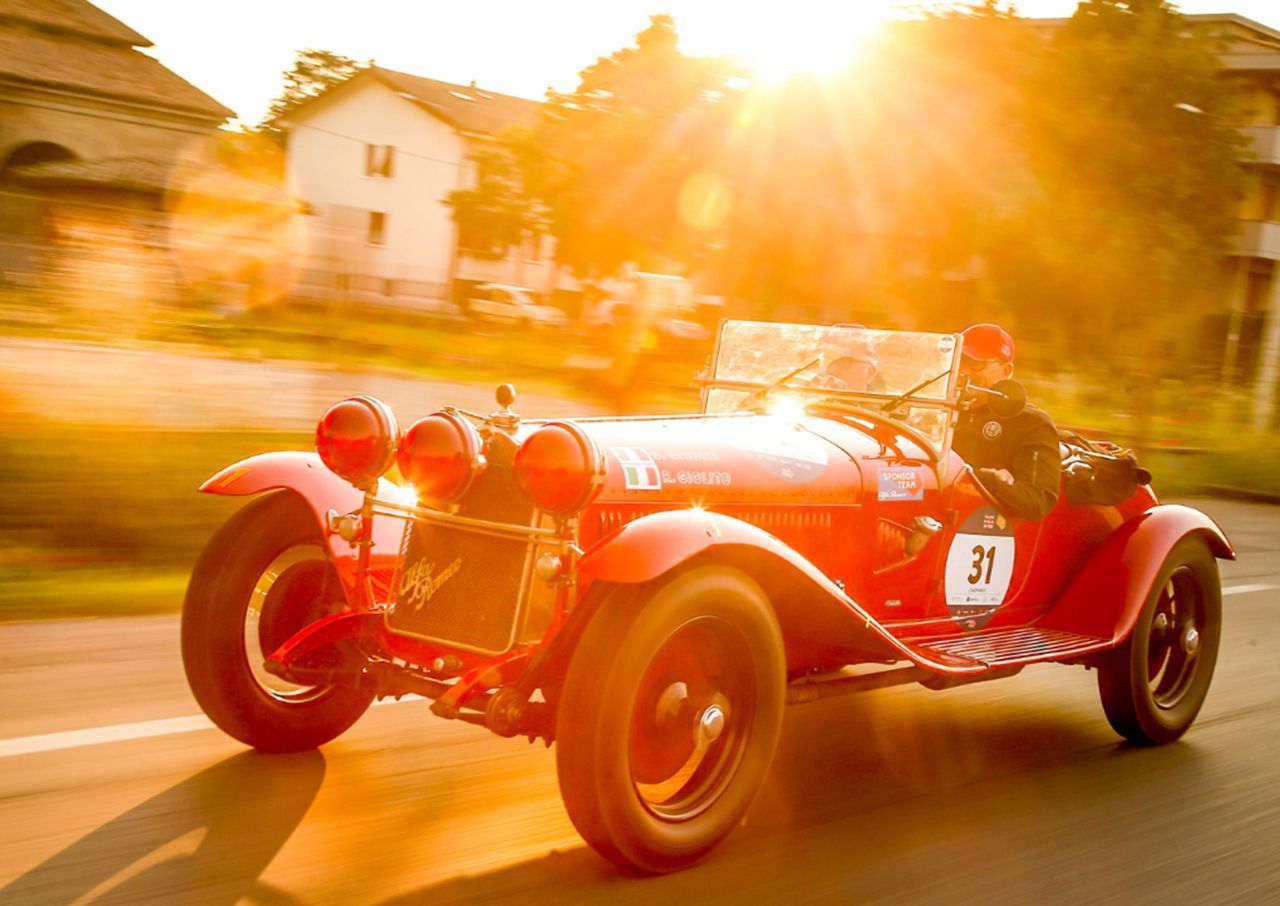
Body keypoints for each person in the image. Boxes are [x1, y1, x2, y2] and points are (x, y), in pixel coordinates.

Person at [952, 323, 1060, 521]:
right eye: (959, 361)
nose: (964, 371)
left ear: (1006, 370)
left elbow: (1037, 501)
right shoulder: (935, 411)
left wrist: (989, 480)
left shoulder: (1032, 423)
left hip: (982, 525)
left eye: (976, 364)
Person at [813, 323, 879, 392]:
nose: (831, 375)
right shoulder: (806, 397)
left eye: (845, 365)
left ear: (871, 372)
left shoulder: (882, 401)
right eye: (826, 363)